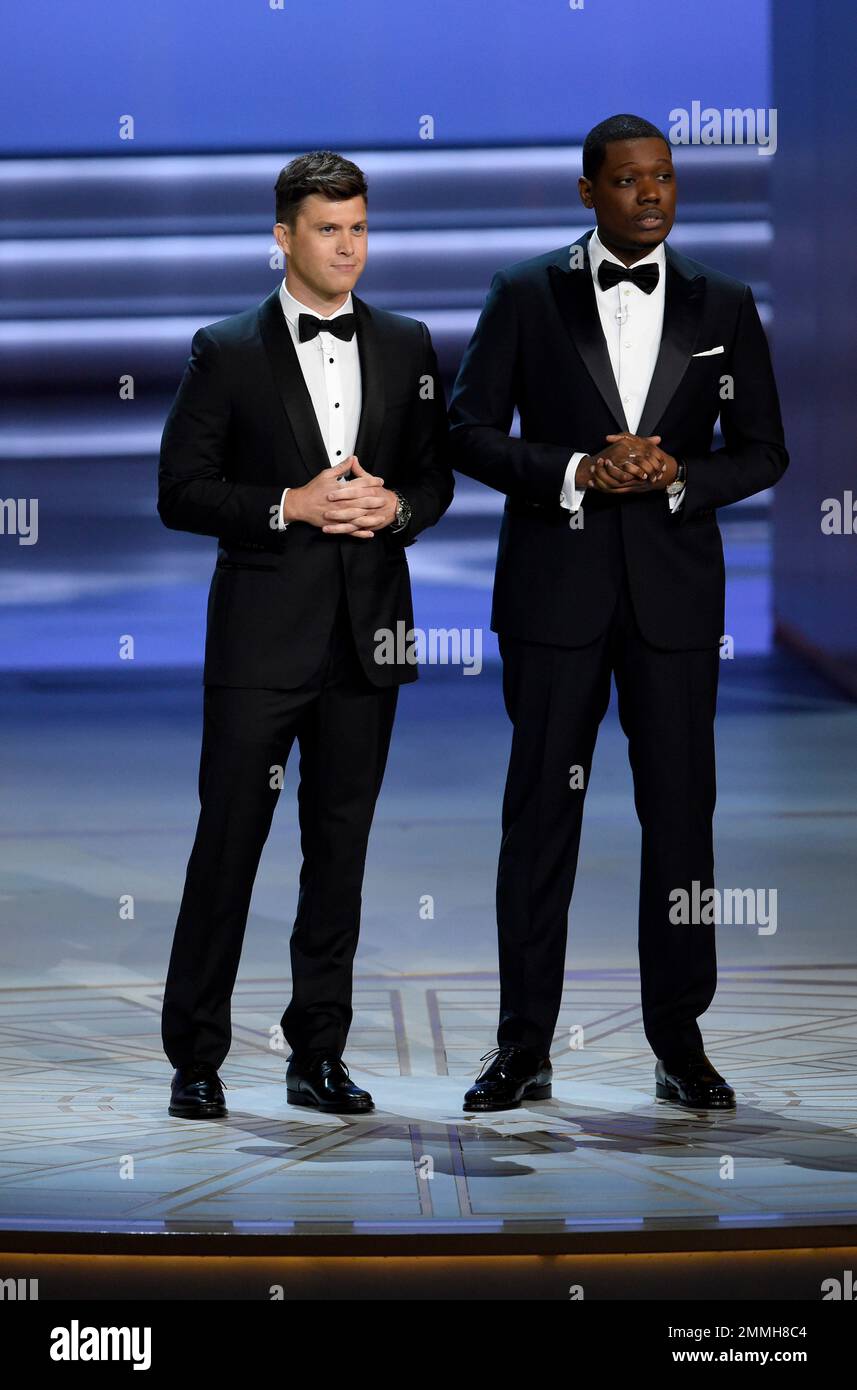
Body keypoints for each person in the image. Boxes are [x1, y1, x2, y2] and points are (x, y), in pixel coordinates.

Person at [448, 113, 788, 1113]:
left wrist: (680, 475)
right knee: (537, 821)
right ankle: (522, 1046)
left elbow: (762, 449)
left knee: (682, 819)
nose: (651, 194)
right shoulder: (523, 293)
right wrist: (572, 470)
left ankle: (679, 1040)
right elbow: (465, 431)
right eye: (629, 180)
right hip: (555, 595)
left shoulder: (722, 302)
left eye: (665, 179)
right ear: (587, 190)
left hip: (675, 603)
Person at [159, 150, 453, 1119]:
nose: (349, 247)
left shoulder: (409, 345)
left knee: (340, 854)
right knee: (228, 846)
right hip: (258, 646)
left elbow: (435, 478)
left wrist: (393, 506)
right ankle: (195, 1056)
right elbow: (180, 492)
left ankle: (315, 1052)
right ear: (282, 236)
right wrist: (286, 505)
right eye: (329, 229)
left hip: (369, 642)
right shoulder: (226, 350)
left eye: (360, 227)